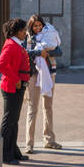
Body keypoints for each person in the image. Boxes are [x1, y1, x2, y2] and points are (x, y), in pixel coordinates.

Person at [24, 14, 62, 153]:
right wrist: (39, 52)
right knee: (32, 108)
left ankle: (49, 140)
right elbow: (24, 53)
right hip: (34, 74)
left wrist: (47, 51)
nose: (38, 28)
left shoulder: (48, 34)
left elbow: (58, 51)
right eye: (35, 26)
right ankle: (29, 143)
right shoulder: (27, 37)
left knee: (48, 107)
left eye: (40, 25)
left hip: (49, 73)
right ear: (31, 26)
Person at [0, 19, 30, 165]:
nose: (26, 33)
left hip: (18, 86)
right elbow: (0, 65)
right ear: (17, 31)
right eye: (24, 30)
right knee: (9, 121)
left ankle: (13, 152)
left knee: (14, 121)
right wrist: (16, 79)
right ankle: (5, 155)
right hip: (11, 87)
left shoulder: (17, 43)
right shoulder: (11, 44)